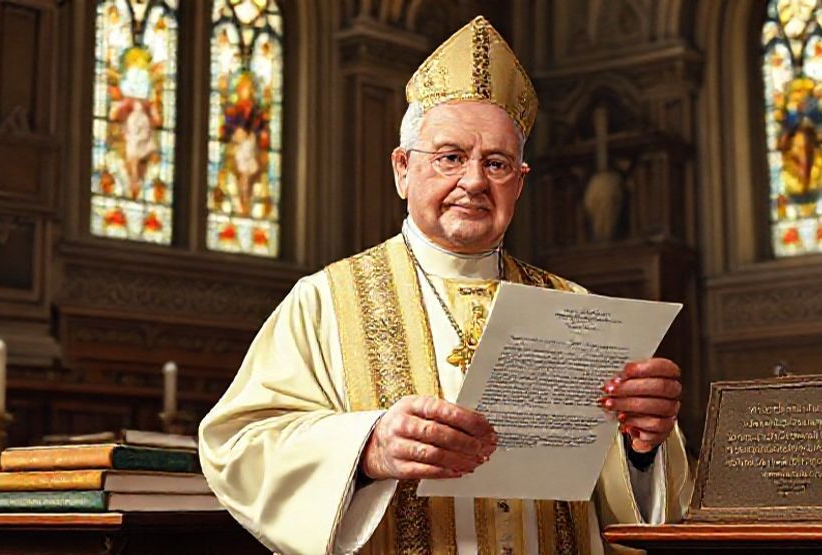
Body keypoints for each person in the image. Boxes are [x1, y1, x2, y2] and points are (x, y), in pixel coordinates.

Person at [199, 16, 693, 555]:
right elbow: (239, 448)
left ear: (520, 183)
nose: (474, 181)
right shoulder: (323, 302)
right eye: (451, 157)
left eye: (497, 163)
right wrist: (367, 449)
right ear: (402, 169)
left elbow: (640, 506)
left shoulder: (575, 308)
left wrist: (643, 444)